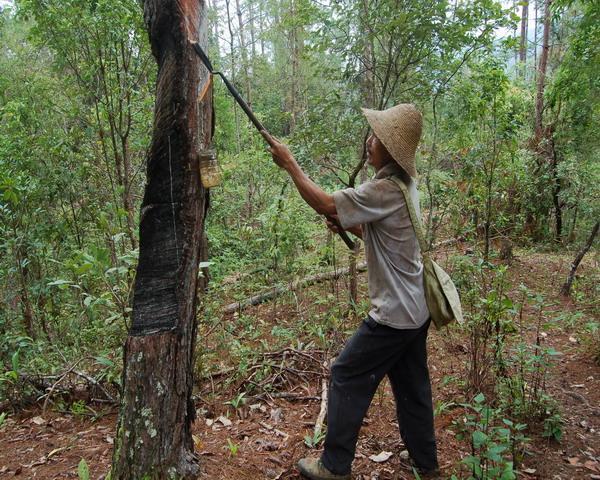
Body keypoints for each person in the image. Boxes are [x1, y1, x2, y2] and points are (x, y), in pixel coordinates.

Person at [261, 103, 439, 480]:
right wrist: (353, 227)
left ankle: (334, 467)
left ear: (390, 150)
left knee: (345, 374)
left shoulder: (384, 189)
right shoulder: (406, 187)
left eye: (376, 138)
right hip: (416, 309)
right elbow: (390, 238)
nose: (370, 142)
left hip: (394, 315)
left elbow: (326, 202)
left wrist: (290, 163)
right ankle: (427, 464)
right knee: (413, 389)